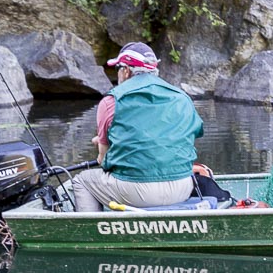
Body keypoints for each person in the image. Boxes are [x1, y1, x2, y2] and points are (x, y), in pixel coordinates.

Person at [68, 41, 204, 212]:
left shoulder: (112, 101)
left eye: (118, 68)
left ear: (126, 71)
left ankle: (93, 233)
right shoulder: (182, 97)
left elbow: (103, 161)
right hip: (183, 187)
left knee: (83, 180)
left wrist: (106, 142)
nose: (117, 73)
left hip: (139, 193)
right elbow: (187, 136)